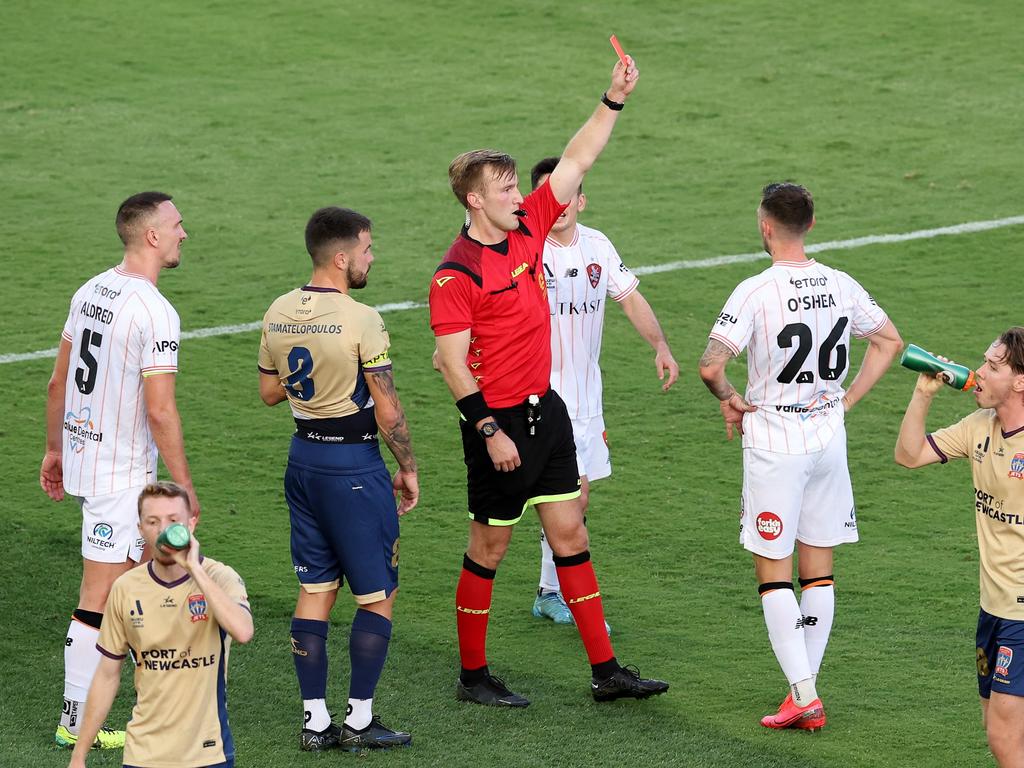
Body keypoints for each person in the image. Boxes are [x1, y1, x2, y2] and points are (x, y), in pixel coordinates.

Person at [429, 50, 669, 707]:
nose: (519, 196)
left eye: (517, 187)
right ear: (475, 200)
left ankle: (606, 672)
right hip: (498, 426)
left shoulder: (528, 229)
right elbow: (450, 363)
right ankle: (473, 677)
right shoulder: (457, 274)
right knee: (490, 546)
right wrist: (488, 431)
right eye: (505, 189)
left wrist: (613, 98)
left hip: (548, 415)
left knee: (572, 535)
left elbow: (577, 159)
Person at [698, 182, 903, 730]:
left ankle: (805, 694)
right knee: (819, 570)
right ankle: (804, 690)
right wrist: (847, 400)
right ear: (809, 225)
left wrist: (731, 402)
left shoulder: (754, 290)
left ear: (765, 226)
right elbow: (889, 342)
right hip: (828, 437)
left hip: (774, 440)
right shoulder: (840, 283)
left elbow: (711, 366)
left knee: (773, 573)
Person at [41, 191, 199, 750]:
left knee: (130, 590)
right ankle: (75, 719)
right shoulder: (154, 311)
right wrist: (180, 488)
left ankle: (124, 707)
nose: (185, 233)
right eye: (178, 226)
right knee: (100, 595)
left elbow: (58, 381)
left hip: (85, 458)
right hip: (118, 475)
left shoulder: (92, 289)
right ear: (152, 236)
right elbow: (160, 409)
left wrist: (54, 449)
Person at [258, 206, 418, 751]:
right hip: (353, 468)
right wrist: (407, 467)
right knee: (377, 595)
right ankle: (359, 719)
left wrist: (312, 386)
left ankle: (315, 723)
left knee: (314, 588)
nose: (372, 258)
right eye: (368, 250)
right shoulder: (361, 317)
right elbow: (388, 410)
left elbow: (270, 392)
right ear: (343, 256)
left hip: (302, 463)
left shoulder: (277, 311)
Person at [526, 156, 679, 628]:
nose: (562, 203)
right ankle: (565, 596)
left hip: (588, 401)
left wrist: (660, 345)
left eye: (569, 193)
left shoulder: (598, 246)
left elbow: (629, 296)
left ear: (581, 199)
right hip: (540, 398)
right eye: (552, 195)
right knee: (568, 500)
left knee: (577, 501)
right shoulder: (526, 252)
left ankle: (550, 591)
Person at [894, 329, 1024, 767]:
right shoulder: (978, 428)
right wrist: (923, 393)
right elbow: (909, 455)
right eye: (983, 362)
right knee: (998, 732)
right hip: (993, 608)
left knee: (1005, 740)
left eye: (993, 366)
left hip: (1023, 615)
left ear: (1020, 381)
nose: (979, 371)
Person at [68, 481, 252, 768]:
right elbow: (107, 674)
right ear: (140, 529)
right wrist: (79, 755)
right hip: (144, 754)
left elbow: (243, 631)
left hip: (208, 754)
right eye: (153, 522)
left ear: (192, 523)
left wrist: (194, 569)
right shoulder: (126, 588)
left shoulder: (220, 577)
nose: (163, 530)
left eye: (173, 521)